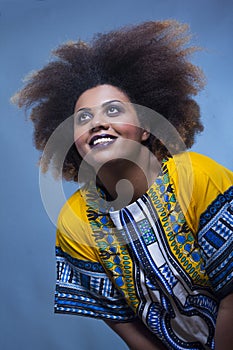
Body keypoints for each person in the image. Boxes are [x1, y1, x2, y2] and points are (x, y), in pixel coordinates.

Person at [13, 20, 233, 350]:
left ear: (145, 128)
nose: (97, 122)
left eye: (113, 110)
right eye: (82, 118)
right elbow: (131, 332)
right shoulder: (76, 223)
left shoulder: (200, 178)